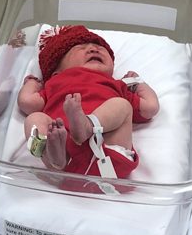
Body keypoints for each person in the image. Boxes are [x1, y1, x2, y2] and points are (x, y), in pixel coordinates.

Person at [17, 25, 159, 186]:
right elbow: (27, 102)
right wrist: (32, 83)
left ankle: (88, 125)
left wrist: (138, 84)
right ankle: (51, 156)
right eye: (81, 48)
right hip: (66, 159)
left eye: (100, 48)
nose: (93, 49)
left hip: (110, 150)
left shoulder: (117, 85)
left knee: (121, 105)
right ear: (57, 71)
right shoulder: (54, 83)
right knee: (34, 119)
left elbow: (150, 107)